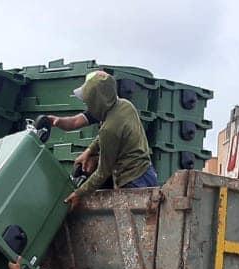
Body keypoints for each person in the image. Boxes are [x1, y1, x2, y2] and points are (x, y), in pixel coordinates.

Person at [40, 71, 158, 209]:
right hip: (147, 172)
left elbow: (103, 172)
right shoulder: (124, 105)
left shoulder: (109, 128)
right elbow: (82, 125)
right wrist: (89, 150)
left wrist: (79, 193)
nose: (86, 104)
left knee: (136, 227)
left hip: (132, 181)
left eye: (88, 101)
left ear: (96, 100)